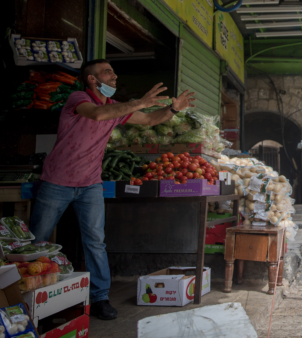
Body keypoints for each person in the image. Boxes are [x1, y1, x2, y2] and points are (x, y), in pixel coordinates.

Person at [29, 59, 195, 320]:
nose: (114, 76)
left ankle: (99, 298)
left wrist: (173, 110)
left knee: (95, 242)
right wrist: (139, 101)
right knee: (37, 241)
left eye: (113, 71)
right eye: (107, 72)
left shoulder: (115, 108)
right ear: (93, 80)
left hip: (91, 185)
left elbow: (151, 119)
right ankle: (28, 296)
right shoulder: (78, 98)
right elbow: (97, 115)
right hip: (57, 182)